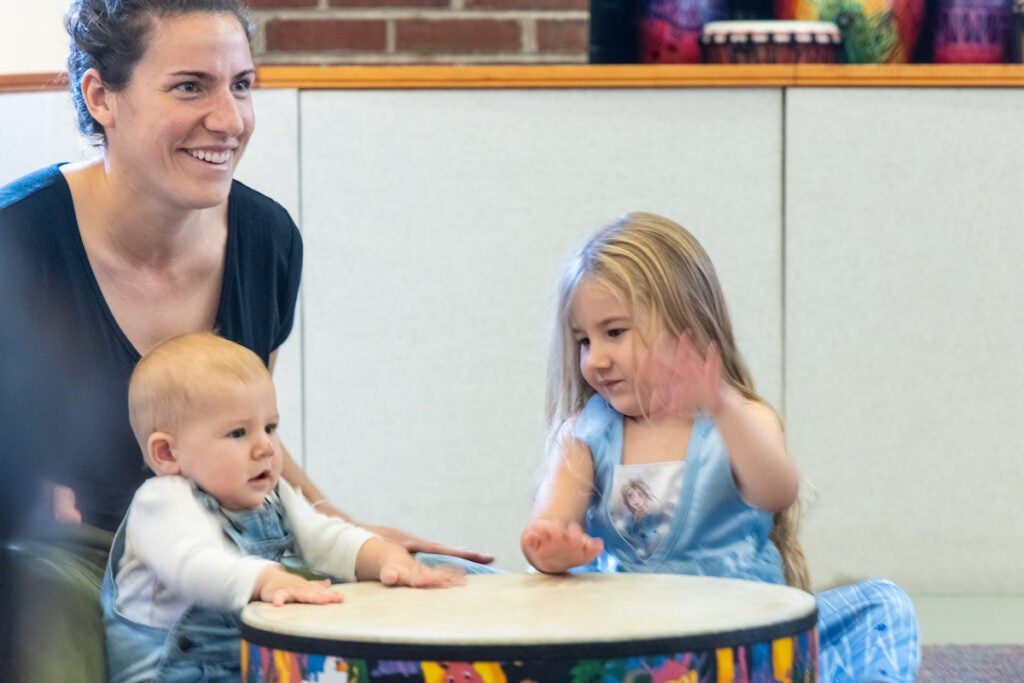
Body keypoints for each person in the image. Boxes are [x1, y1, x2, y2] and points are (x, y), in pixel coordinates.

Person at [0, 0, 493, 552]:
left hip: (224, 564)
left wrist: (347, 536)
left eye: (241, 85)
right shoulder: (13, 244)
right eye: (190, 86)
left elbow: (240, 439)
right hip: (56, 573)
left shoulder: (267, 240)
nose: (230, 121)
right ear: (101, 97)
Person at [520, 212, 920, 683]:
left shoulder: (744, 419)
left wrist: (722, 406)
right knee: (452, 580)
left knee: (882, 605)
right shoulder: (583, 435)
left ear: (684, 324)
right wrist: (551, 551)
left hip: (742, 644)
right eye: (583, 340)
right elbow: (548, 525)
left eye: (614, 332)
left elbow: (777, 492)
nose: (596, 358)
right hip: (627, 642)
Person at [102, 332, 464, 682]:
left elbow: (325, 539)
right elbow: (196, 565)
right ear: (167, 453)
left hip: (245, 663)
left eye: (270, 427)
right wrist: (266, 579)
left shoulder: (274, 496)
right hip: (173, 672)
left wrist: (385, 558)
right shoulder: (162, 501)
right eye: (238, 433)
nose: (267, 448)